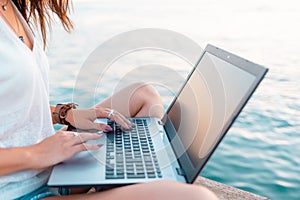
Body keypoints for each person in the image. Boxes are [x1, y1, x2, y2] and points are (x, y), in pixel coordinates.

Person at [0, 0, 218, 199]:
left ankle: (121, 176)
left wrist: (64, 114)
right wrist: (36, 154)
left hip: (51, 167)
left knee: (142, 95)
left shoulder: (11, 7)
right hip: (21, 191)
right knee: (199, 198)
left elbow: (11, 105)